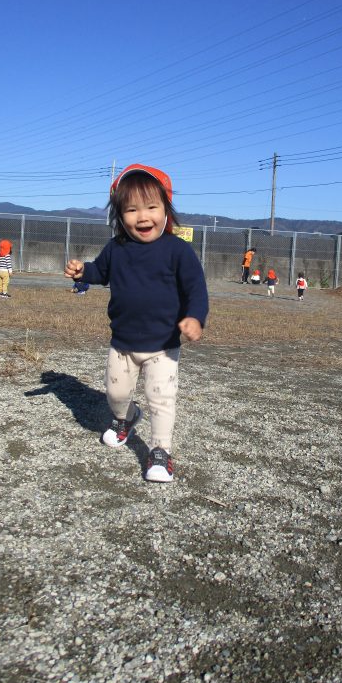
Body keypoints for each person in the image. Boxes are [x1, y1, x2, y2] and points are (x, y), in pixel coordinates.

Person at [64, 164, 209, 484]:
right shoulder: (116, 248)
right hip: (123, 342)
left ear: (167, 209)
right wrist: (82, 271)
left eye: (152, 207)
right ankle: (126, 419)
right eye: (131, 209)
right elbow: (99, 272)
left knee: (161, 399)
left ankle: (160, 451)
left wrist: (195, 318)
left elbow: (196, 290)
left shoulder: (178, 251)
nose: (143, 217)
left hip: (163, 346)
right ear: (119, 214)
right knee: (116, 395)